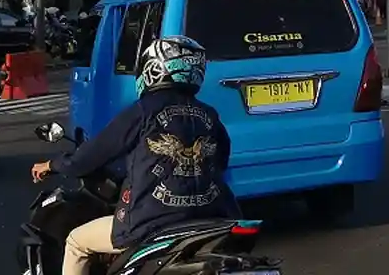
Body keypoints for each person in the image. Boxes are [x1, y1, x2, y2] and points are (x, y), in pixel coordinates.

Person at [30, 36, 239, 275]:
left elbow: (88, 157)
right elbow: (221, 160)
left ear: (153, 69)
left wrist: (52, 164)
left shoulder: (143, 111)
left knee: (76, 242)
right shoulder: (209, 114)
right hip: (211, 216)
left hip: (151, 220)